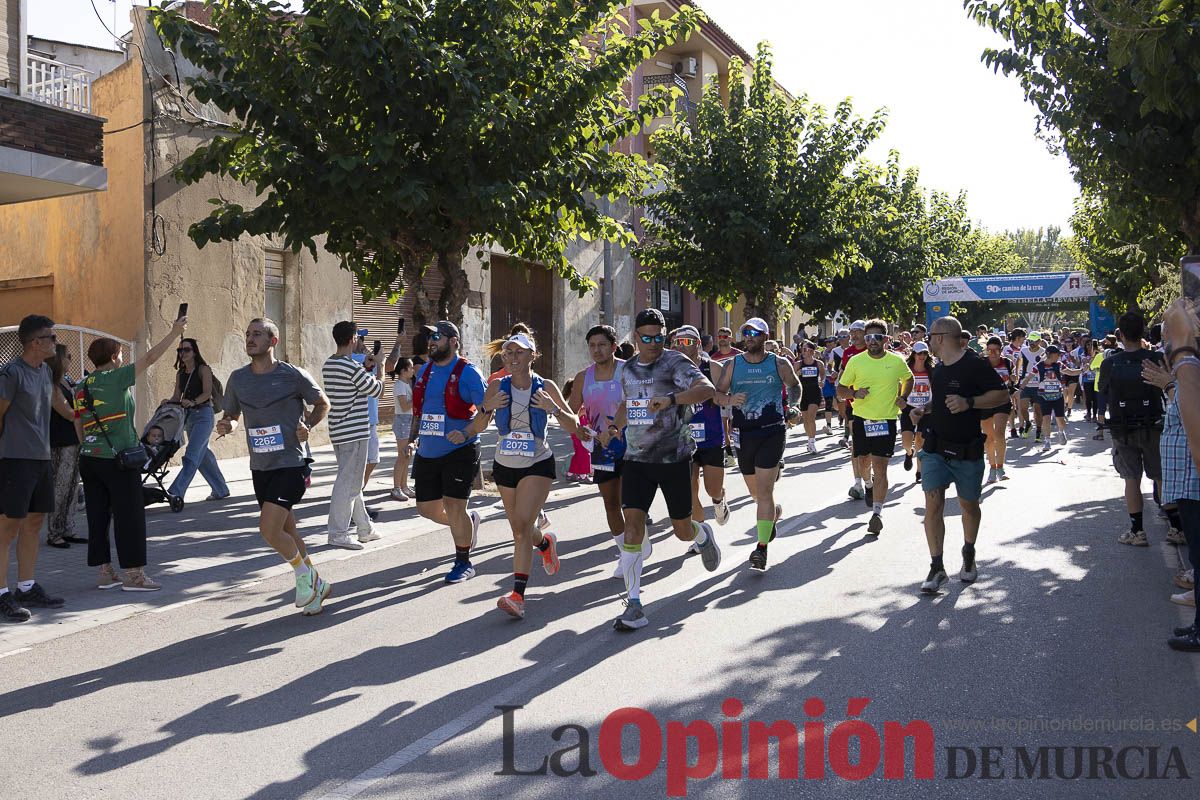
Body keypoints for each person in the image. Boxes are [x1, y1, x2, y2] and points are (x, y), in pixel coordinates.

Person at [600, 308, 720, 631]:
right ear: (635, 338)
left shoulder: (675, 363)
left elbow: (706, 390)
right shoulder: (627, 371)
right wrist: (615, 427)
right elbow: (629, 403)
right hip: (637, 460)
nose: (653, 343)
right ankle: (634, 604)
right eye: (646, 338)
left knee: (682, 530)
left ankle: (702, 533)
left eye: (658, 337)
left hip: (674, 459)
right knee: (633, 529)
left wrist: (672, 399)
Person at [217, 318, 332, 615]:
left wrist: (307, 424)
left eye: (257, 334)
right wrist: (227, 425)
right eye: (247, 334)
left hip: (292, 462)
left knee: (268, 530)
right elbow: (231, 414)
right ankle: (316, 583)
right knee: (287, 529)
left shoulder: (292, 375)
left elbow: (322, 403)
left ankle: (304, 577)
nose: (250, 339)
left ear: (273, 341)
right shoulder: (238, 379)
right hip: (261, 465)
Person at [75, 316, 189, 595]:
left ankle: (105, 572)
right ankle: (134, 575)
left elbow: (77, 421)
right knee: (129, 516)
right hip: (118, 459)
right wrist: (175, 332)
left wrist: (88, 446)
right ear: (114, 356)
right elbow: (150, 357)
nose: (122, 357)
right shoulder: (117, 376)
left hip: (90, 458)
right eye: (120, 353)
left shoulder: (82, 385)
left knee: (98, 516)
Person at [476, 332, 576, 619]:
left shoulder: (547, 386)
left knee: (520, 530)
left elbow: (574, 425)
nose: (512, 358)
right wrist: (487, 408)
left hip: (537, 463)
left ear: (533, 355)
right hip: (504, 464)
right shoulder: (496, 384)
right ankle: (545, 544)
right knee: (521, 528)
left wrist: (553, 409)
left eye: (519, 352)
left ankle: (518, 595)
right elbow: (480, 425)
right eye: (507, 353)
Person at [913, 316, 1009, 594]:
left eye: (931, 336)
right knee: (933, 503)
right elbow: (943, 399)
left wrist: (969, 402)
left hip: (967, 450)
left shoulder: (975, 365)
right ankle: (936, 566)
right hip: (935, 448)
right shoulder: (940, 368)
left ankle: (968, 552)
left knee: (969, 505)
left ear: (941, 337)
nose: (928, 341)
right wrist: (926, 409)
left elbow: (1002, 396)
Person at [714, 317, 799, 571]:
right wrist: (729, 399)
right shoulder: (732, 365)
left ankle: (761, 549)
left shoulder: (778, 363)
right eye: (746, 332)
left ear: (765, 336)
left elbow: (795, 386)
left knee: (763, 492)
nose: (749, 336)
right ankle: (772, 514)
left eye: (755, 332)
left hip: (772, 432)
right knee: (756, 494)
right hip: (743, 435)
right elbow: (717, 396)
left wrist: (793, 406)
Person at [407, 320, 488, 583]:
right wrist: (411, 439)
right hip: (428, 451)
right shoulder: (425, 371)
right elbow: (419, 412)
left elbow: (487, 412)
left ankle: (463, 561)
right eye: (430, 337)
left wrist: (466, 432)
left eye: (438, 337)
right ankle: (467, 522)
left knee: (454, 505)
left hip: (459, 450)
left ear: (454, 341)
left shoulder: (468, 373)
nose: (432, 342)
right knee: (426, 509)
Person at [0, 315, 68, 621]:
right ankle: (1, 594)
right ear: (35, 342)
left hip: (40, 459)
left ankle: (25, 587)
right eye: (51, 337)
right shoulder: (11, 373)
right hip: (13, 459)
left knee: (34, 522)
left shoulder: (44, 373)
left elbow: (62, 409)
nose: (56, 341)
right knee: (6, 528)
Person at [1099, 312, 1173, 547]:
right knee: (1161, 476)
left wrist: (1101, 419)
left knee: (1131, 478)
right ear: (1143, 331)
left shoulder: (1110, 361)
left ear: (1119, 334)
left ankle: (1137, 531)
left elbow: (1103, 392)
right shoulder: (1157, 358)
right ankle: (1176, 528)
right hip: (1154, 425)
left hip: (1123, 429)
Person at [837, 319, 912, 535]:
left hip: (886, 420)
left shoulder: (896, 361)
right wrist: (853, 393)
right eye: (868, 338)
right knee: (863, 463)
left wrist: (903, 397)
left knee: (881, 467)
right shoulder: (856, 362)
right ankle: (868, 486)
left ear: (886, 339)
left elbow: (909, 378)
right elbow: (841, 389)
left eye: (877, 337)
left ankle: (877, 513)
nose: (872, 342)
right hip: (861, 418)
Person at [1154, 301, 1200, 650]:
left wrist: (1184, 352)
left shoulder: (1191, 369)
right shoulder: (1186, 377)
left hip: (1194, 482)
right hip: (1187, 484)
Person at [569, 325, 628, 576]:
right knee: (611, 504)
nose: (597, 350)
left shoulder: (628, 371)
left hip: (632, 445)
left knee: (632, 502)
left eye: (602, 344)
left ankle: (635, 549)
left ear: (613, 347)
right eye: (592, 345)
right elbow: (570, 411)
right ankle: (626, 552)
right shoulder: (584, 377)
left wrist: (614, 429)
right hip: (602, 449)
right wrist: (577, 429)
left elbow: (634, 403)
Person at [322, 321, 385, 550]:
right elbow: (376, 390)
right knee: (348, 484)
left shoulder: (330, 364)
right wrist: (380, 366)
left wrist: (366, 368)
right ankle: (337, 533)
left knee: (352, 482)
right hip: (356, 432)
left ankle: (365, 529)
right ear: (352, 339)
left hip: (339, 431)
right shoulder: (352, 367)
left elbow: (353, 384)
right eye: (358, 336)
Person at [670, 326, 730, 537]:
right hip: (683, 438)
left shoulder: (712, 367)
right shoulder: (671, 371)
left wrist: (719, 398)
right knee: (689, 488)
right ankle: (701, 534)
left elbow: (724, 398)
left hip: (711, 438)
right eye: (677, 342)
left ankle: (719, 498)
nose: (680, 346)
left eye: (686, 342)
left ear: (697, 344)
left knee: (712, 489)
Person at [167, 337, 230, 502]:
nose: (183, 353)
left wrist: (193, 402)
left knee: (192, 454)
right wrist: (168, 402)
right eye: (180, 350)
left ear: (194, 352)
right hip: (189, 418)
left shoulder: (203, 369)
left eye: (186, 350)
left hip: (203, 415)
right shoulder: (180, 373)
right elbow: (176, 396)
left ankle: (176, 491)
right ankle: (221, 489)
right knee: (202, 454)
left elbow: (207, 393)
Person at [45, 344, 85, 549]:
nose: (71, 358)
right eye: (68, 356)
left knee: (73, 487)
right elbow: (68, 413)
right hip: (60, 442)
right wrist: (85, 410)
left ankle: (68, 528)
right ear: (59, 359)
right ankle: (54, 532)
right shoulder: (52, 384)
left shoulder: (68, 381)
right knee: (59, 488)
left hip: (74, 441)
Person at [1020, 344, 1080, 453]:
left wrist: (1082, 370)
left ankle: (1061, 432)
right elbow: (1028, 377)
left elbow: (1071, 372)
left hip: (1058, 396)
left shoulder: (1059, 365)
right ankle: (1047, 441)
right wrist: (1022, 387)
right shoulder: (1038, 366)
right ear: (1050, 355)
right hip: (1044, 396)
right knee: (1046, 418)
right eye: (1057, 354)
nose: (1059, 356)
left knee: (1060, 420)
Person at [351, 332, 385, 489]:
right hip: (362, 419)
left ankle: (358, 493)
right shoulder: (356, 360)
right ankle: (357, 492)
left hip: (369, 418)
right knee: (366, 460)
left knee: (372, 459)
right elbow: (380, 390)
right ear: (354, 340)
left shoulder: (367, 359)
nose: (364, 343)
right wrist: (380, 364)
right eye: (360, 339)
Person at [980, 337, 1015, 482]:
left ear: (1001, 350)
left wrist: (1013, 379)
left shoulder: (1007, 362)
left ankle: (1000, 467)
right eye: (990, 350)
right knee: (989, 438)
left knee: (1000, 434)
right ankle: (992, 468)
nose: (993, 353)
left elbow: (1013, 381)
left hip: (1002, 402)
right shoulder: (981, 364)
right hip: (985, 403)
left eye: (996, 350)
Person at [900, 342, 934, 479]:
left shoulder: (931, 370)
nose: (922, 356)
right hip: (909, 408)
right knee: (906, 442)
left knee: (920, 439)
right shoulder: (906, 370)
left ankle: (919, 471)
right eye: (919, 353)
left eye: (925, 353)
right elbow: (899, 388)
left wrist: (928, 407)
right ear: (913, 354)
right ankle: (909, 453)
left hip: (926, 409)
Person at [390, 357, 415, 501]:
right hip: (402, 421)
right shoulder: (399, 385)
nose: (412, 370)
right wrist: (416, 398)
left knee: (408, 454)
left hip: (409, 420)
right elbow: (405, 406)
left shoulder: (406, 384)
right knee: (402, 455)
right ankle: (396, 488)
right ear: (403, 370)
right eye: (410, 368)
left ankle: (404, 486)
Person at [794, 340, 826, 454]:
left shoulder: (818, 363)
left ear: (812, 351)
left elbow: (823, 374)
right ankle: (809, 440)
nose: (803, 351)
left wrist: (822, 381)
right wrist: (797, 374)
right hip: (802, 393)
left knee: (811, 417)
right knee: (806, 419)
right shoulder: (798, 364)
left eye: (805, 349)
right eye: (802, 349)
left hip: (814, 391)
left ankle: (812, 442)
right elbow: (792, 379)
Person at [1017, 331, 1047, 440]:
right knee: (1023, 408)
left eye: (1034, 341)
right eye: (1029, 340)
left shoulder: (1044, 352)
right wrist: (1016, 375)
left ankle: (1039, 430)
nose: (1031, 343)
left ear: (1039, 341)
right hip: (1026, 384)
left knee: (1038, 410)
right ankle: (1028, 423)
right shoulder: (1023, 350)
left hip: (1039, 386)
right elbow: (1019, 363)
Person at [562, 378, 592, 481]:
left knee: (580, 452)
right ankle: (583, 475)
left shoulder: (581, 399)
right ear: (572, 389)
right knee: (584, 452)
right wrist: (582, 413)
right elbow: (572, 416)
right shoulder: (571, 402)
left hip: (584, 429)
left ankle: (570, 473)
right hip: (576, 430)